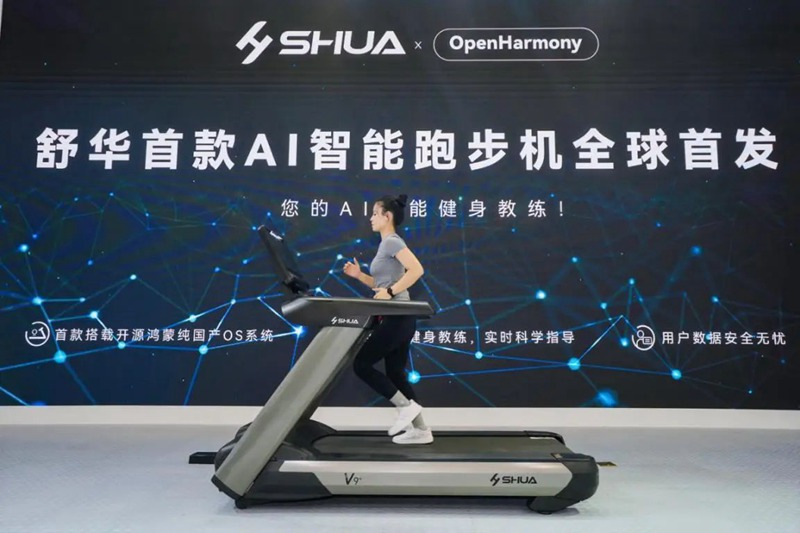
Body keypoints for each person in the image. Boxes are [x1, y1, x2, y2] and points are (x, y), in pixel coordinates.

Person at [343, 194, 433, 445]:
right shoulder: (386, 245)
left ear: (387, 216)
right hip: (398, 317)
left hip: (398, 317)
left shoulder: (392, 242)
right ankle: (422, 430)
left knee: (362, 365)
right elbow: (381, 285)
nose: (371, 218)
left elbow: (417, 270)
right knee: (395, 373)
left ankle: (405, 408)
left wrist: (391, 292)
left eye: (375, 213)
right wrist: (359, 276)